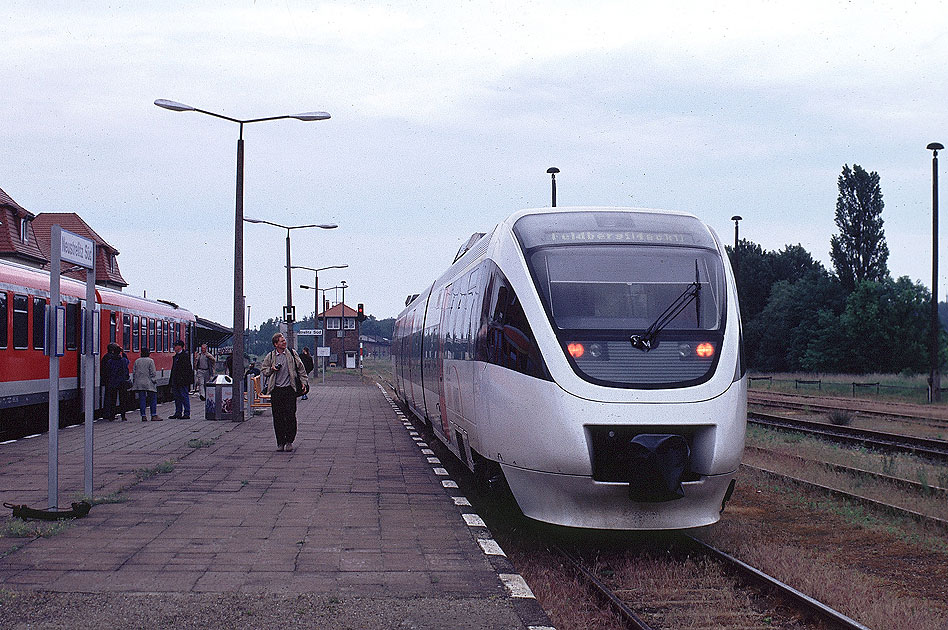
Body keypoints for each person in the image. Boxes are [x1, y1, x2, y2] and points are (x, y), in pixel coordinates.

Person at [261, 333, 308, 452]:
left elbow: (301, 368)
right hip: (276, 390)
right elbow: (264, 370)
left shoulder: (292, 354)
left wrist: (304, 382)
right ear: (275, 344)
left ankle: (289, 441)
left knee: (290, 416)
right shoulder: (271, 356)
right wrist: (272, 369)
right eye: (281, 341)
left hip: (289, 389)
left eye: (284, 340)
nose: (284, 342)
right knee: (278, 417)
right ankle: (280, 442)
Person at [102, 342, 129, 421]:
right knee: (122, 400)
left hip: (112, 382)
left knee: (112, 400)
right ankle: (123, 416)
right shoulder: (123, 360)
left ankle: (111, 416)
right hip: (122, 382)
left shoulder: (109, 360)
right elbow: (127, 361)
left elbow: (106, 370)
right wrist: (123, 352)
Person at [131, 347, 160, 421]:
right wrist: (154, 380)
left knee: (142, 399)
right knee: (152, 398)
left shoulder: (137, 361)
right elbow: (152, 372)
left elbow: (134, 372)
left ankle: (143, 415)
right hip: (149, 382)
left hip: (139, 383)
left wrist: (135, 381)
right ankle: (153, 415)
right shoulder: (150, 361)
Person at [169, 340, 194, 419]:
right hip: (176, 380)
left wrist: (185, 380)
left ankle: (187, 413)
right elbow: (173, 369)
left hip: (182, 380)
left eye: (176, 346)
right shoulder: (176, 356)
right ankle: (178, 412)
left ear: (180, 347)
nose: (174, 347)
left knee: (184, 396)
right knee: (177, 397)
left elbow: (187, 370)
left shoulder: (184, 356)